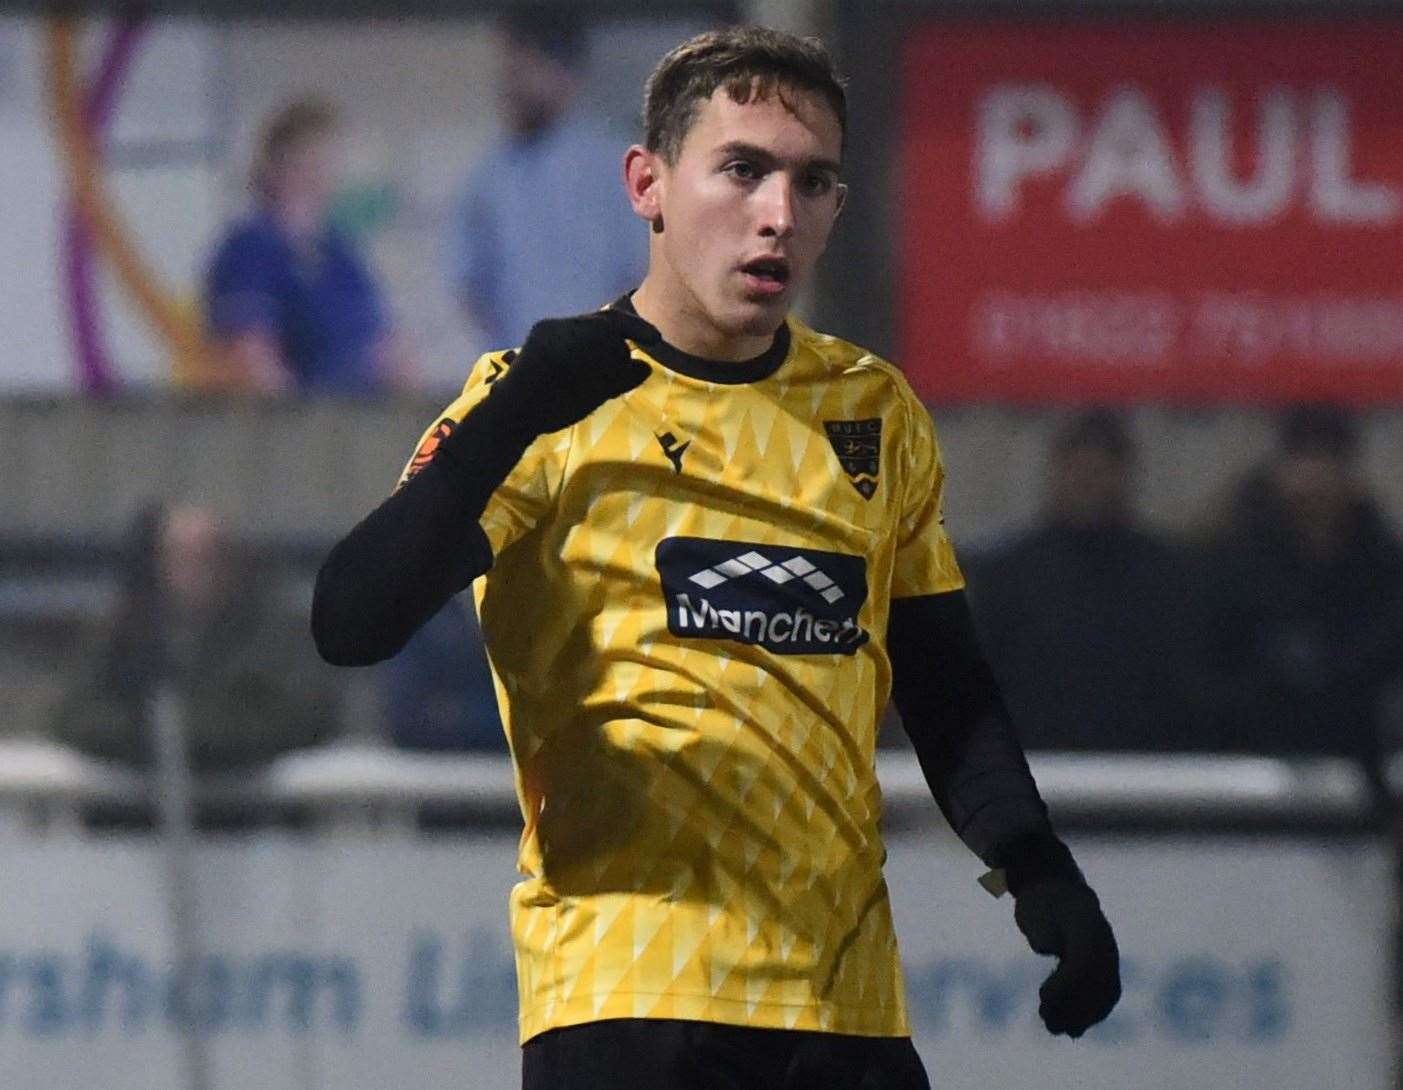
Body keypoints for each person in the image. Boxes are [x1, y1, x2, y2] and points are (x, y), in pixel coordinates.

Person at [313, 28, 1120, 1089]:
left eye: (812, 181)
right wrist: (511, 415)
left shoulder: (873, 410)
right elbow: (349, 621)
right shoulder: (541, 398)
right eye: (741, 169)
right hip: (628, 1001)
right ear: (646, 184)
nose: (778, 213)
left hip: (843, 1008)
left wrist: (1033, 861)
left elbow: (941, 680)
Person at [967, 410, 1209, 751]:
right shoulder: (1010, 573)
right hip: (1038, 765)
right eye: (1079, 471)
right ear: (1057, 472)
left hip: (1142, 772)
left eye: (1101, 471)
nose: (1090, 482)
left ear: (1124, 476)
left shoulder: (1166, 572)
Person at [51, 504, 339, 776]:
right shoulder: (124, 635)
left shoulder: (275, 637)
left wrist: (189, 736)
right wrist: (145, 738)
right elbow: (73, 714)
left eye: (208, 557)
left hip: (253, 813)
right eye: (180, 556)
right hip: (132, 811)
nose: (196, 570)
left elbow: (298, 716)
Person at [1205, 404, 1403, 770]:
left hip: (1367, 767)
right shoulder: (1239, 566)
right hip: (1254, 768)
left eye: (1328, 458)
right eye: (1302, 457)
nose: (1314, 475)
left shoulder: (1386, 570)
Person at [447, 9, 647, 351]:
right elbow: (468, 281)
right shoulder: (491, 174)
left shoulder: (614, 165)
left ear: (561, 71)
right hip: (518, 372)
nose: (509, 85)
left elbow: (642, 275)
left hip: (602, 366)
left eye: (523, 70)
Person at [204, 97, 409, 394]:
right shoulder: (250, 249)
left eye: (326, 160)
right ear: (275, 166)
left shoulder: (339, 251)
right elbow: (251, 356)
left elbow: (386, 345)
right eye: (306, 159)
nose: (317, 171)